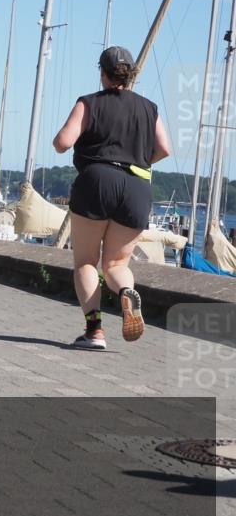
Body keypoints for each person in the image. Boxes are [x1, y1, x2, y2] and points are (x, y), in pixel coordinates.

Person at [53, 46, 172, 350]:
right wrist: (138, 159)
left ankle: (94, 331)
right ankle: (125, 295)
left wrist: (63, 140)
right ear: (131, 75)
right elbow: (165, 149)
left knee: (86, 262)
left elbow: (64, 142)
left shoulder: (89, 103)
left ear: (102, 73)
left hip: (97, 180)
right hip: (137, 186)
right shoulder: (150, 108)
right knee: (117, 263)